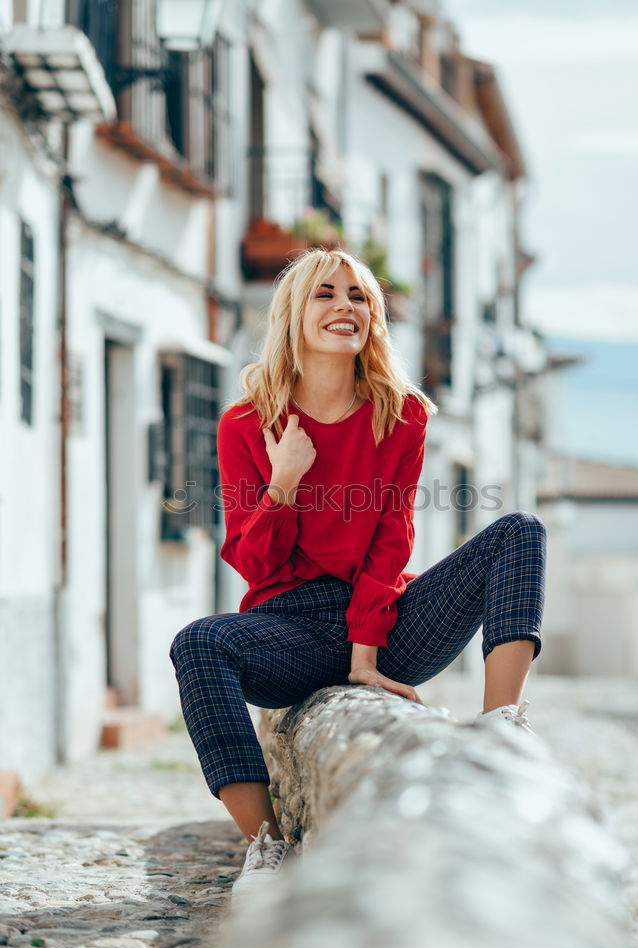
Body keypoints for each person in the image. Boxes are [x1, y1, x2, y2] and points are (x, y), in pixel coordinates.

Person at [169, 247, 547, 899]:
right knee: (198, 643)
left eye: (358, 297)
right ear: (293, 310)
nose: (345, 306)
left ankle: (499, 730)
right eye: (326, 293)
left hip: (387, 624)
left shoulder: (401, 413)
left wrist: (366, 652)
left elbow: (390, 538)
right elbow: (252, 559)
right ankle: (265, 849)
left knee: (518, 532)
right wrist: (284, 478)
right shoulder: (245, 422)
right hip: (286, 631)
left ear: (372, 319)